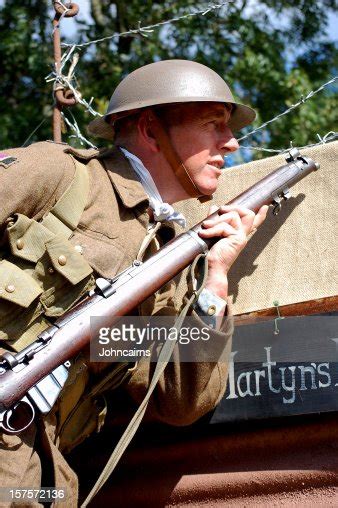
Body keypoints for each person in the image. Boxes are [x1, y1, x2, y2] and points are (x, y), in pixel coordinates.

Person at [0, 59, 267, 506]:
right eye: (211, 124)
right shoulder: (61, 175)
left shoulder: (168, 262)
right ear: (149, 128)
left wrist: (216, 277)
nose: (232, 143)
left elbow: (182, 401)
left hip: (38, 483)